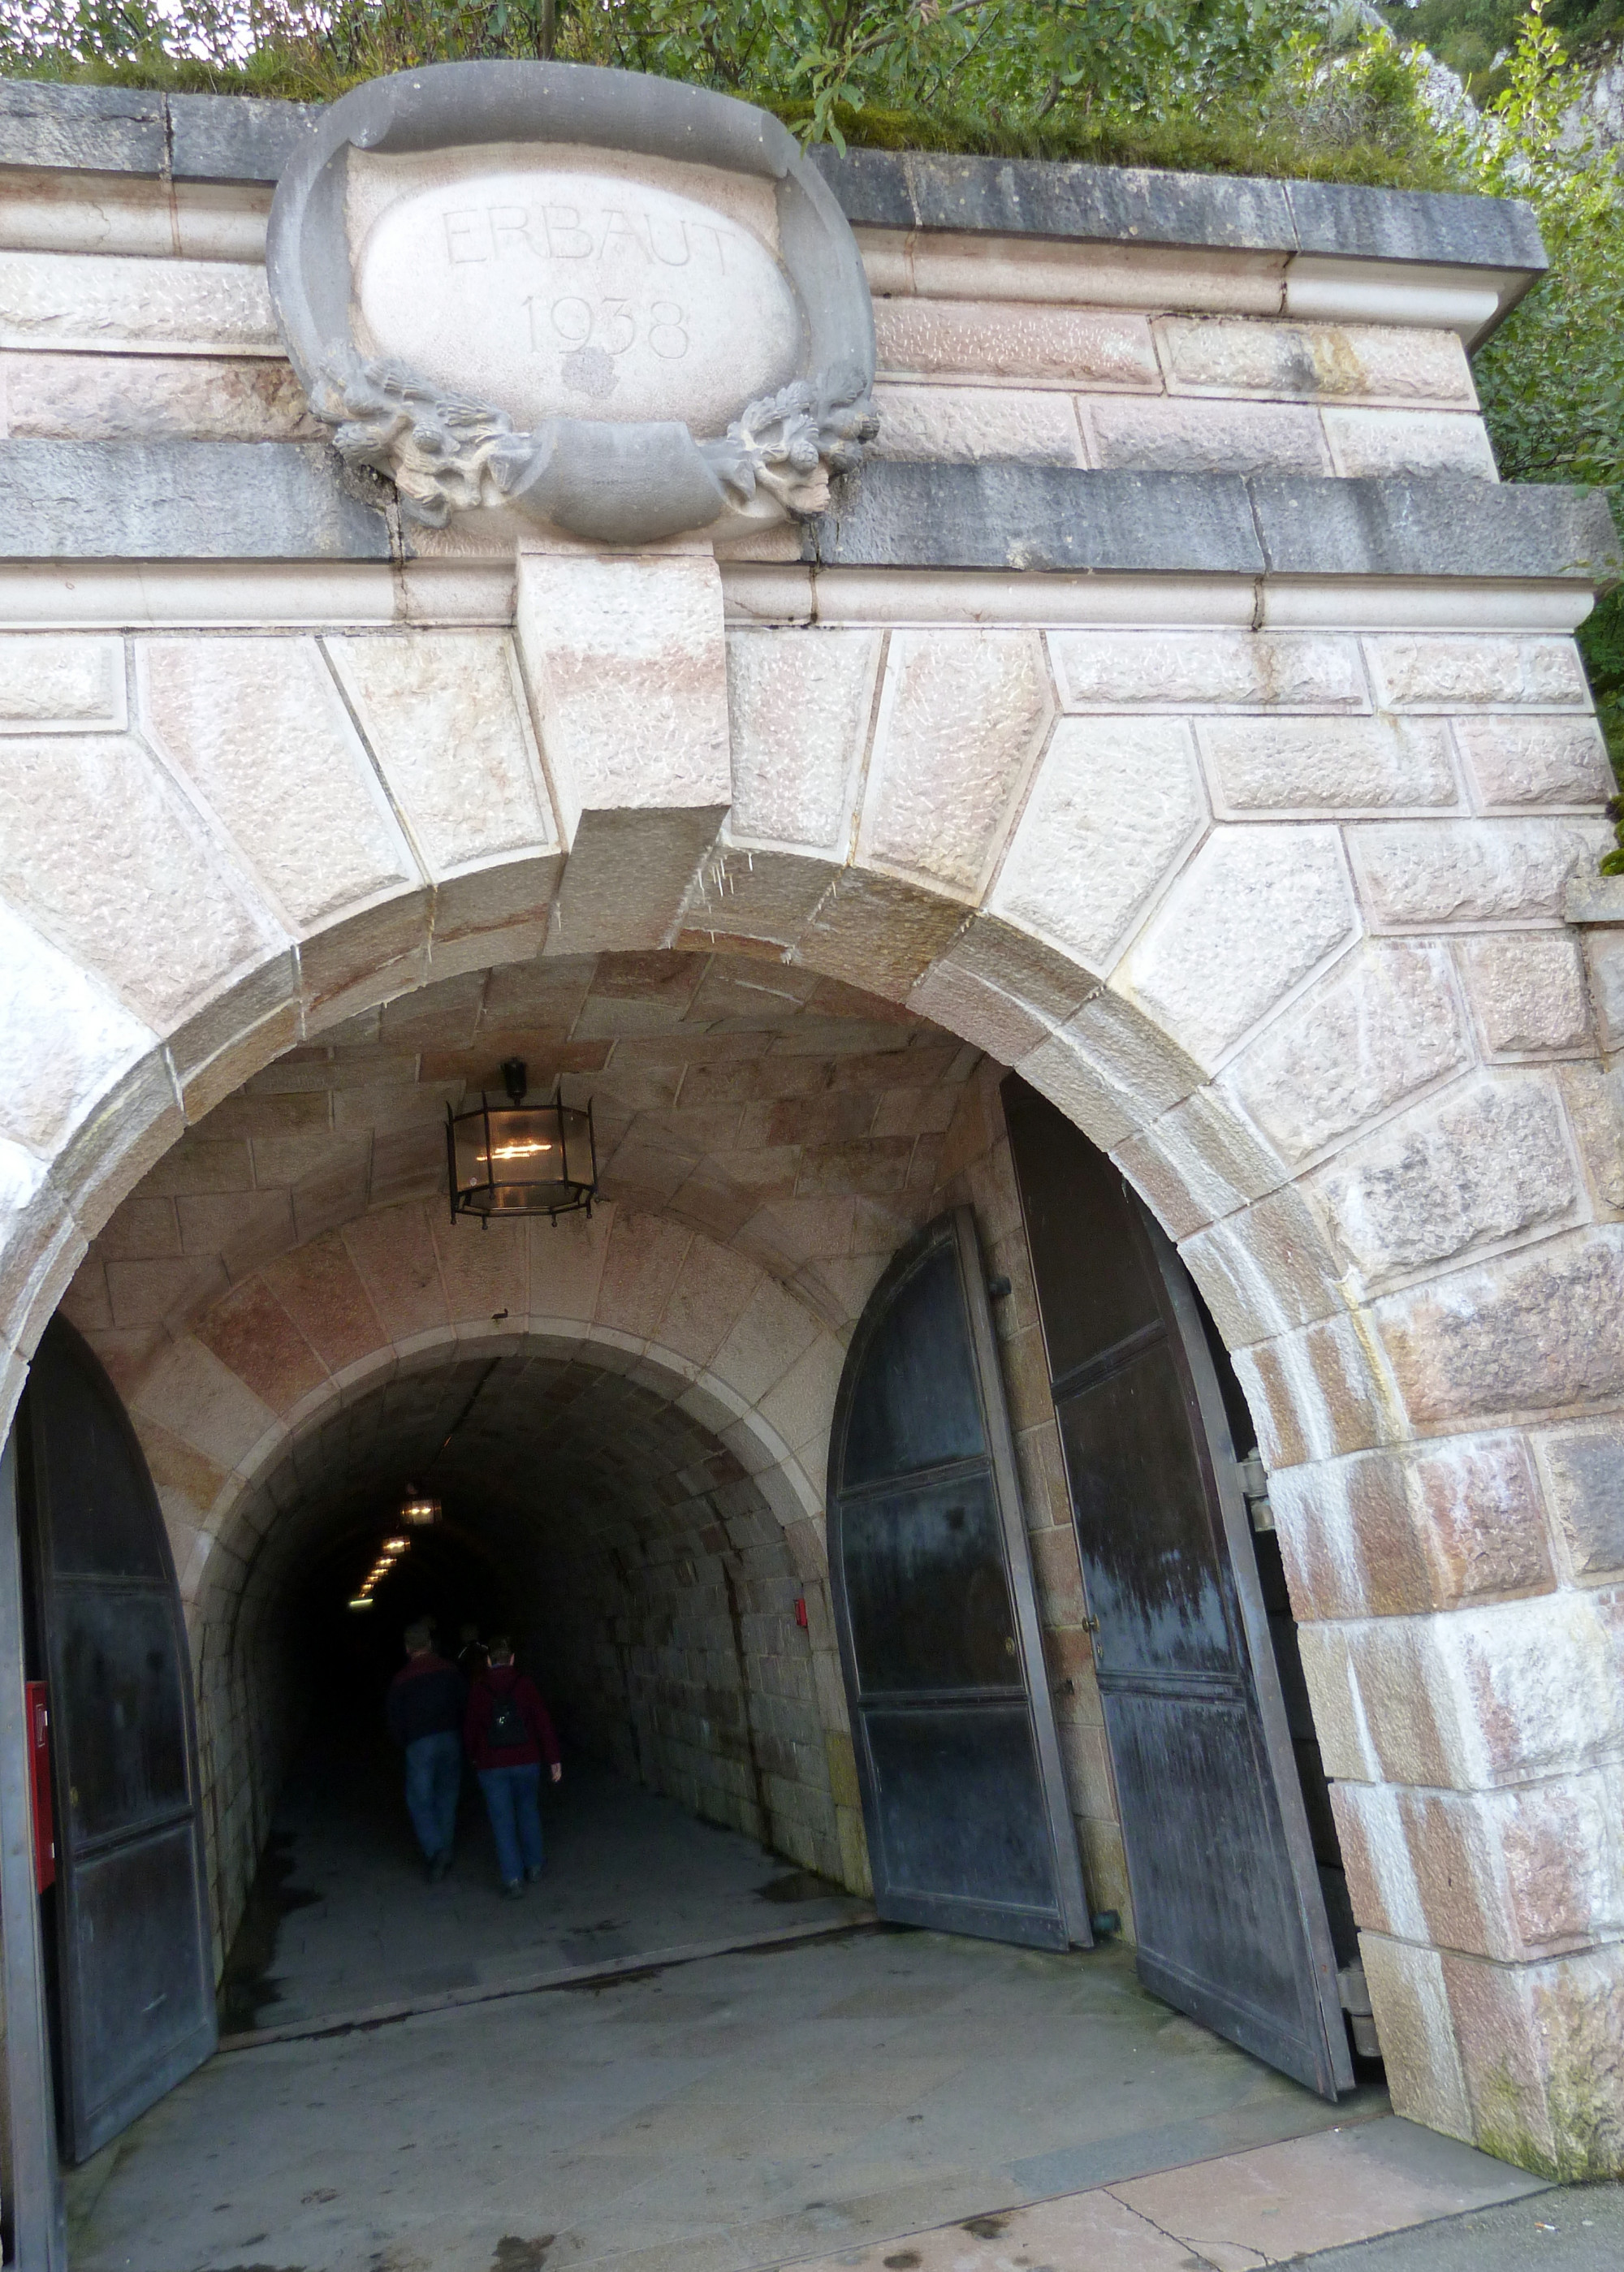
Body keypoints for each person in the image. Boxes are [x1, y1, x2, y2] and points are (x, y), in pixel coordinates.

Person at [464, 1636, 561, 1898]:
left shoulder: (479, 1689)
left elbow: (471, 1730)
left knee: (501, 1819)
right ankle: (535, 1866)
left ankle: (513, 1878)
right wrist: (554, 1759)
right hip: (527, 1760)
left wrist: (473, 1757)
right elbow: (543, 1723)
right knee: (528, 1811)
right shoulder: (525, 1685)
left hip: (492, 1765)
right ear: (513, 1659)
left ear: (488, 1661)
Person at [385, 1618, 468, 1884]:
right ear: (430, 1644)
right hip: (450, 1739)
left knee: (419, 1799)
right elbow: (464, 1704)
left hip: (419, 1744)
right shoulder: (450, 1670)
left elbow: (394, 1719)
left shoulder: (401, 1680)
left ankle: (436, 1851)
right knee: (447, 1795)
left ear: (407, 1648)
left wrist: (402, 1743)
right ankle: (446, 1849)